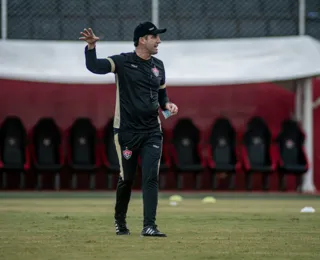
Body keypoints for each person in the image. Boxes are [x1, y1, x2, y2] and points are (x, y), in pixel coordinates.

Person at [79, 21, 178, 237]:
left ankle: (149, 226)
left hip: (153, 131)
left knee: (151, 177)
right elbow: (94, 67)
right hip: (126, 132)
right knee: (127, 179)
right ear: (143, 39)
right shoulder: (122, 62)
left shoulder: (158, 65)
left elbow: (162, 95)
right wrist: (91, 47)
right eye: (155, 37)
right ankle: (119, 220)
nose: (159, 41)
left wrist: (167, 106)